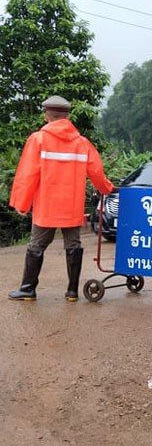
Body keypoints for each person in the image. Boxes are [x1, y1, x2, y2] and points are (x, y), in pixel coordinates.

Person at [8, 95, 115, 302]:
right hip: (71, 205)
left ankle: (28, 289)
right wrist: (107, 189)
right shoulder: (82, 143)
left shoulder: (38, 139)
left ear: (47, 116)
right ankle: (72, 292)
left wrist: (22, 203)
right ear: (67, 116)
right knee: (73, 244)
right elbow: (97, 174)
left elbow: (27, 174)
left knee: (36, 245)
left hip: (46, 206)